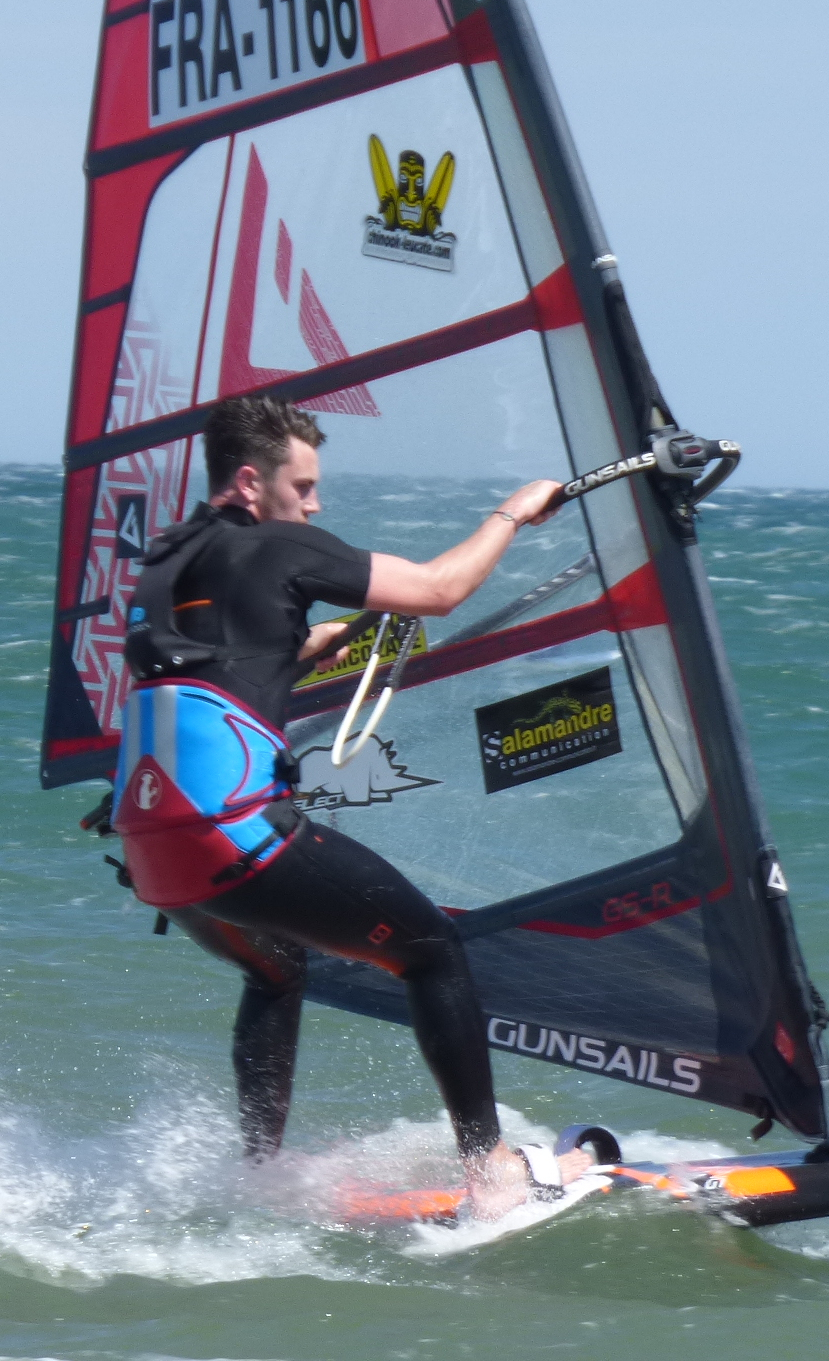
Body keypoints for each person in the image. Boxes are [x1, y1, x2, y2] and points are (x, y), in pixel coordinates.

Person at [106, 394, 582, 1214]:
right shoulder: (278, 544)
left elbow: (247, 657)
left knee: (276, 970)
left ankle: (259, 1172)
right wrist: (514, 511)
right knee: (433, 952)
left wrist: (348, 633)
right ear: (250, 483)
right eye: (303, 486)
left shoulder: (168, 561)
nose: (315, 505)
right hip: (232, 834)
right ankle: (492, 1169)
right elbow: (439, 589)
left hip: (152, 851)